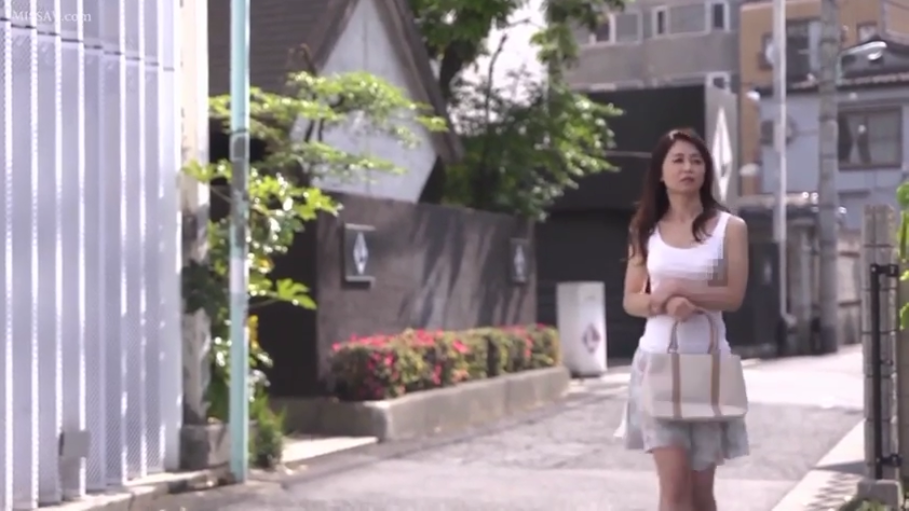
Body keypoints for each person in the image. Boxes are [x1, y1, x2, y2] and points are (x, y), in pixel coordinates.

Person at [618, 128, 750, 511]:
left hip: (708, 367)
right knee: (674, 491)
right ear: (661, 173)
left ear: (706, 170)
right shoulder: (644, 229)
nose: (688, 168)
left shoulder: (730, 228)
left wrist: (680, 288)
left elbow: (733, 296)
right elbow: (631, 299)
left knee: (701, 494)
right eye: (677, 160)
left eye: (696, 160)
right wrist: (662, 303)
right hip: (657, 363)